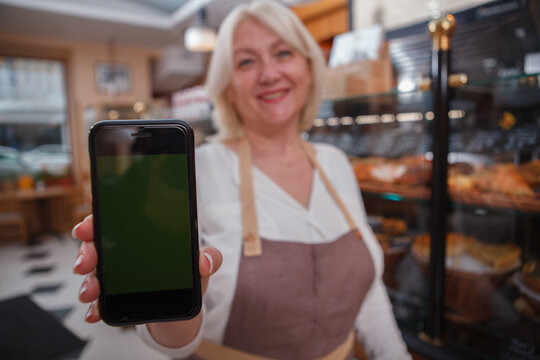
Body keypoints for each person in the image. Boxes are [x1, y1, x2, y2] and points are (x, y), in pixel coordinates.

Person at [72, 1, 411, 359]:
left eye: (283, 53)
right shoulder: (198, 170)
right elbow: (175, 344)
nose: (269, 74)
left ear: (309, 69)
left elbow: (370, 293)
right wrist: (165, 295)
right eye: (247, 61)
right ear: (228, 88)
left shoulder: (336, 163)